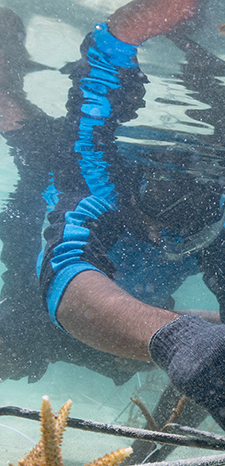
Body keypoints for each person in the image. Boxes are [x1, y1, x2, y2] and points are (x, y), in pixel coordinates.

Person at [36, 0, 225, 447]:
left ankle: (145, 462)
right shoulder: (99, 184)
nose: (171, 234)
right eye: (162, 200)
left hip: (154, 334)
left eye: (197, 215)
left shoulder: (223, 222)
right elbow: (62, 272)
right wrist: (175, 340)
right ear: (141, 186)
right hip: (50, 326)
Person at [0, 8, 153, 385]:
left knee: (64, 145)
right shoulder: (53, 342)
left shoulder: (35, 330)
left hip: (44, 211)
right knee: (59, 145)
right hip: (44, 218)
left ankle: (100, 58)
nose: (9, 379)